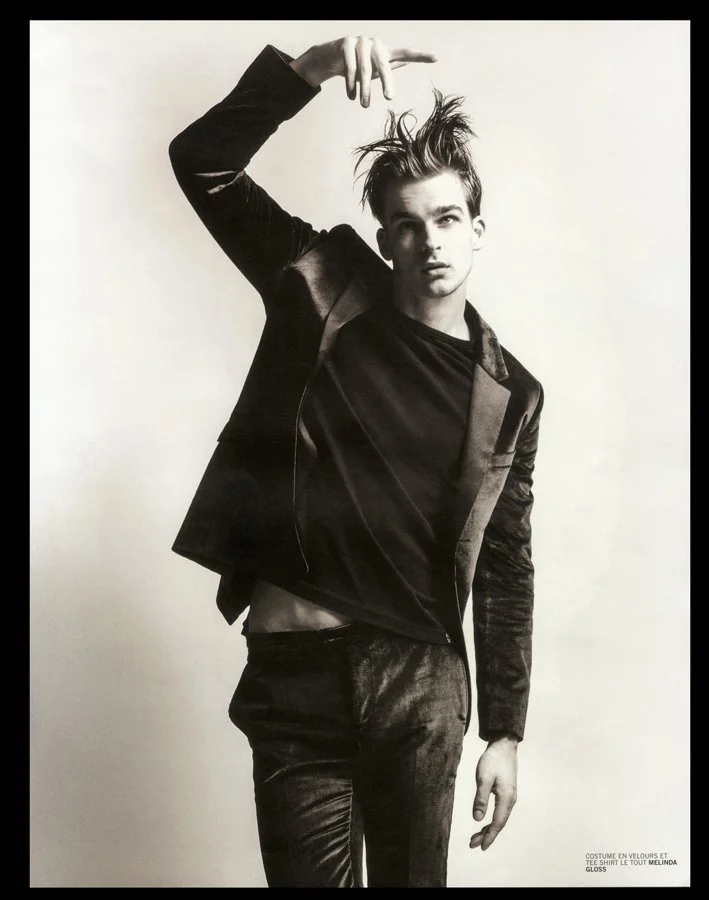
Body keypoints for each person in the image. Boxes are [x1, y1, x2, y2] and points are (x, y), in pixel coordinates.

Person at [168, 34, 543, 888]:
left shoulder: (511, 394)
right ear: (384, 240)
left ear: (477, 228)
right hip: (294, 675)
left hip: (418, 683)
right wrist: (307, 70)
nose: (430, 243)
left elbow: (506, 566)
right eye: (407, 227)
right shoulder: (321, 284)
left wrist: (505, 733)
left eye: (447, 220)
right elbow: (203, 164)